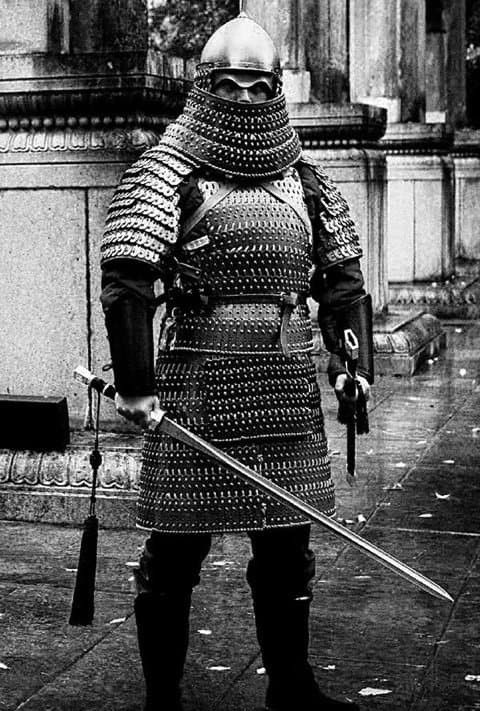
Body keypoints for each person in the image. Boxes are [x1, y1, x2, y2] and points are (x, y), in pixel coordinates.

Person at [100, 9, 373, 711]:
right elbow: (128, 276)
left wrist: (353, 366)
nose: (246, 99)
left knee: (287, 554)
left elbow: (342, 279)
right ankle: (162, 698)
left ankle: (292, 688)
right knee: (173, 557)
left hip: (283, 390)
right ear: (206, 86)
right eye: (230, 85)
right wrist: (136, 383)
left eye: (259, 87)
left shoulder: (303, 180)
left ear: (276, 91)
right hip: (197, 385)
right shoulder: (170, 171)